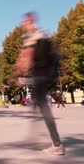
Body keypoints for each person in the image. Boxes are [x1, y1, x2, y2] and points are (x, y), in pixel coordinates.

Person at [16, 12, 65, 155]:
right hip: (46, 75)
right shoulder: (43, 34)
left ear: (30, 21)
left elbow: (27, 58)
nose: (23, 24)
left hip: (39, 76)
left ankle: (57, 144)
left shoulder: (31, 37)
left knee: (43, 108)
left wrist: (19, 74)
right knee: (37, 106)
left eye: (25, 22)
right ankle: (35, 138)